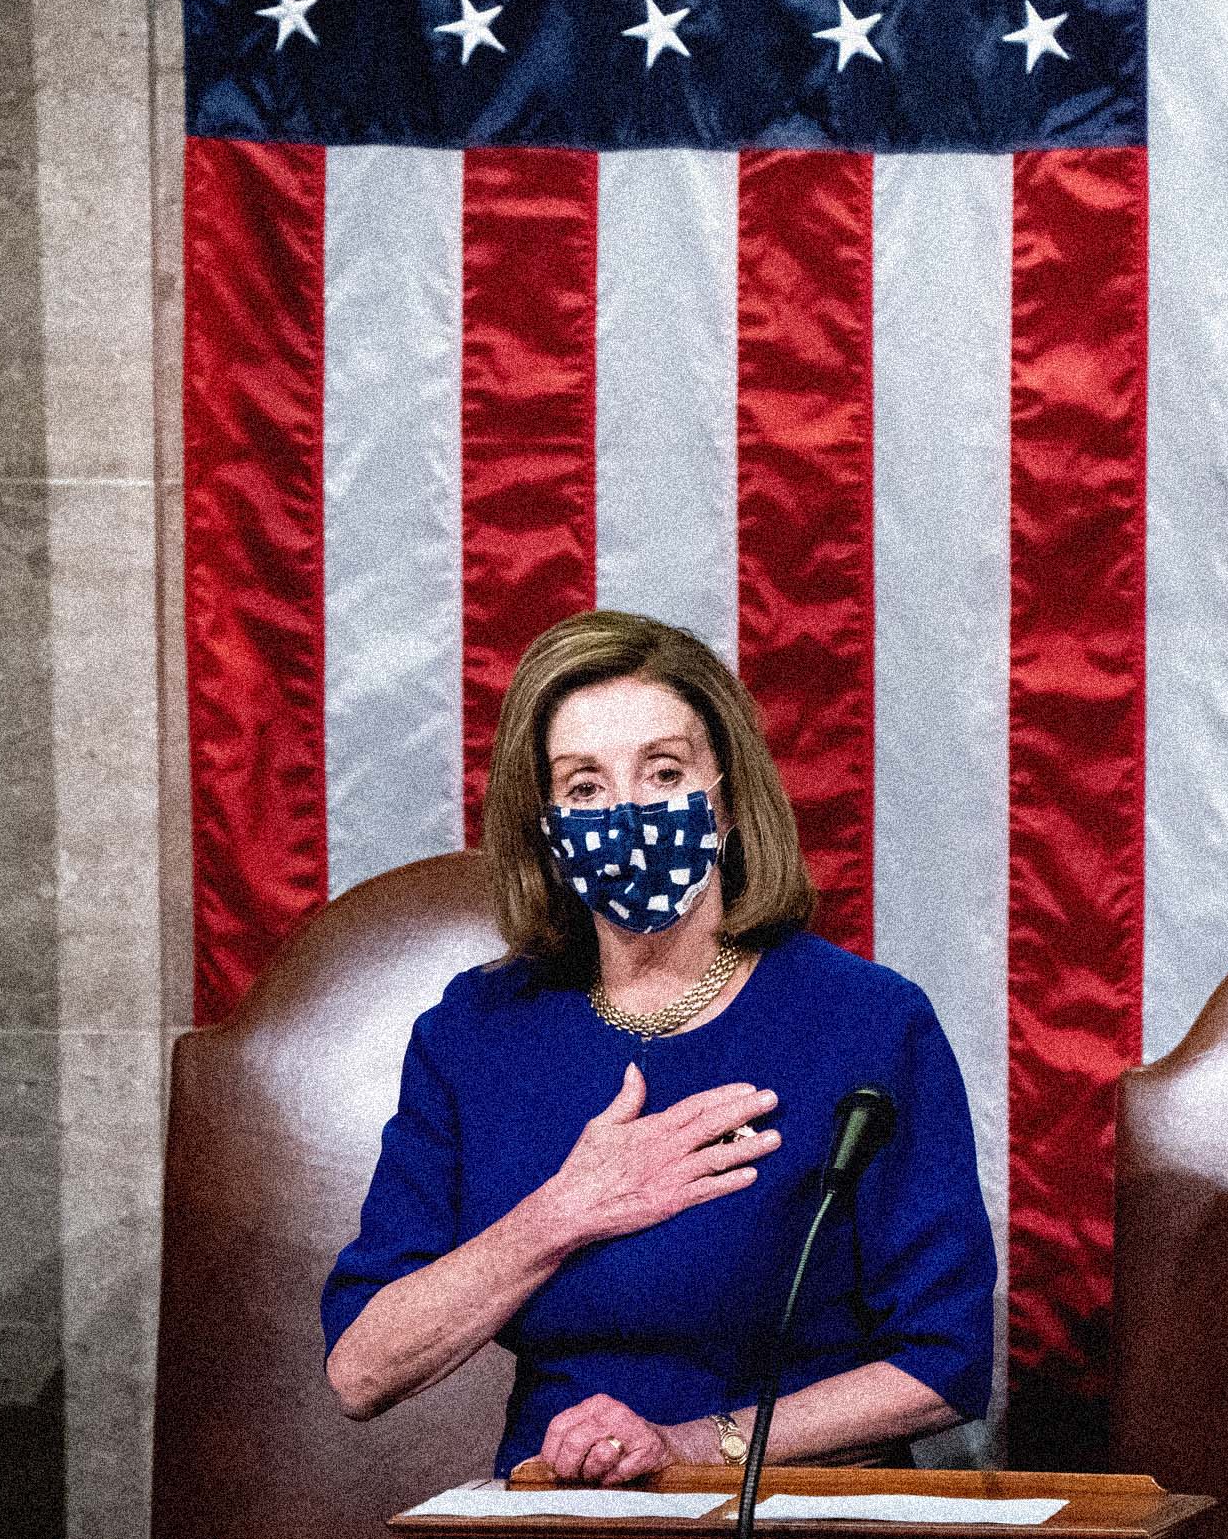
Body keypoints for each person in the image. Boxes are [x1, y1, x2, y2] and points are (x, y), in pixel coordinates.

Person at [321, 610, 996, 1484]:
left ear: (726, 795)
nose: (630, 810)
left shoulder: (867, 1022)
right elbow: (361, 1369)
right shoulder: (474, 1032)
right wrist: (567, 1209)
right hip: (557, 1507)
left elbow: (943, 1364)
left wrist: (690, 1447)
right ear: (545, 826)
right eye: (586, 786)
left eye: (664, 770)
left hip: (791, 1500)